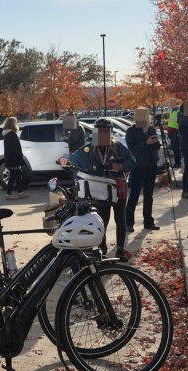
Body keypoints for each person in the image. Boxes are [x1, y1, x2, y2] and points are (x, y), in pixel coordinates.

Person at [69, 118, 135, 260]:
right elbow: (73, 159)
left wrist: (121, 167)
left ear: (110, 133)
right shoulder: (89, 148)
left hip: (118, 187)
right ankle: (102, 249)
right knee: (102, 221)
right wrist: (66, 161)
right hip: (99, 190)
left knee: (120, 220)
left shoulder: (117, 146)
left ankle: (120, 249)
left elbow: (132, 161)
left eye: (106, 132)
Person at [125, 108, 161, 232]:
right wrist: (146, 142)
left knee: (149, 196)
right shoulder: (131, 131)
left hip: (151, 166)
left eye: (146, 117)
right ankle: (129, 222)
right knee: (134, 195)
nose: (145, 119)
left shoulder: (151, 129)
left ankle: (148, 222)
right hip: (138, 167)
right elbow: (133, 149)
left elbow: (157, 146)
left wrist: (155, 141)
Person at [2, 117, 27, 200]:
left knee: (14, 177)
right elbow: (16, 149)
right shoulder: (12, 134)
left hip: (10, 159)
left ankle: (10, 194)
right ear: (13, 124)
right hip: (14, 160)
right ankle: (19, 193)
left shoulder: (7, 135)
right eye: (16, 122)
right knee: (17, 177)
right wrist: (21, 159)